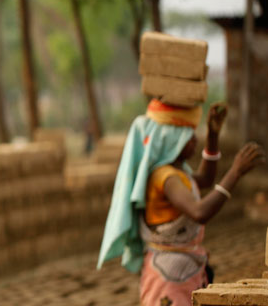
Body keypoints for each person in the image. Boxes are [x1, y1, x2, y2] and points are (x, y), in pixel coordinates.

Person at [98, 99, 265, 306]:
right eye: (188, 135)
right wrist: (235, 172)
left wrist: (213, 136)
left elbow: (205, 178)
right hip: (168, 276)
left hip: (182, 270)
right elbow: (199, 212)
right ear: (171, 139)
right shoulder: (165, 178)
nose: (194, 140)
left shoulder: (177, 174)